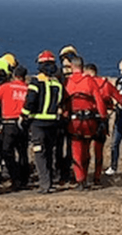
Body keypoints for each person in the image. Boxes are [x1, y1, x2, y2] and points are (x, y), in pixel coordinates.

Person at [21, 51, 65, 193]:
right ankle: (50, 181)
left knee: (39, 153)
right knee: (50, 153)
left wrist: (24, 115)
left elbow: (30, 102)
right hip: (53, 124)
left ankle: (44, 184)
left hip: (38, 123)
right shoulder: (57, 84)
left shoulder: (36, 82)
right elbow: (60, 102)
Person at [64, 57, 107, 190]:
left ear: (71, 66)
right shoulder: (89, 81)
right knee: (86, 147)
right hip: (89, 122)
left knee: (76, 150)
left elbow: (65, 102)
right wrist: (103, 118)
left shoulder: (68, 82)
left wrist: (65, 116)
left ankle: (80, 179)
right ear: (82, 67)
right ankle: (87, 176)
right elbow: (99, 101)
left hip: (74, 122)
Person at [0, 65, 31, 190]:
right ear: (24, 77)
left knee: (7, 152)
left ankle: (15, 178)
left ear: (13, 75)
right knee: (23, 152)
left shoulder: (5, 87)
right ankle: (24, 179)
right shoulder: (28, 89)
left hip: (8, 123)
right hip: (23, 123)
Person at [84, 63, 122, 185]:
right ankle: (97, 176)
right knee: (98, 150)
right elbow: (120, 99)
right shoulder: (105, 84)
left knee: (84, 149)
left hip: (86, 120)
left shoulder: (85, 84)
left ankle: (83, 176)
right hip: (102, 120)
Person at [53, 44, 78, 183]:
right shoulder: (59, 76)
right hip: (63, 115)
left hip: (70, 115)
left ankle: (66, 171)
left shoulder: (62, 76)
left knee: (69, 146)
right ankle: (60, 171)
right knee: (59, 146)